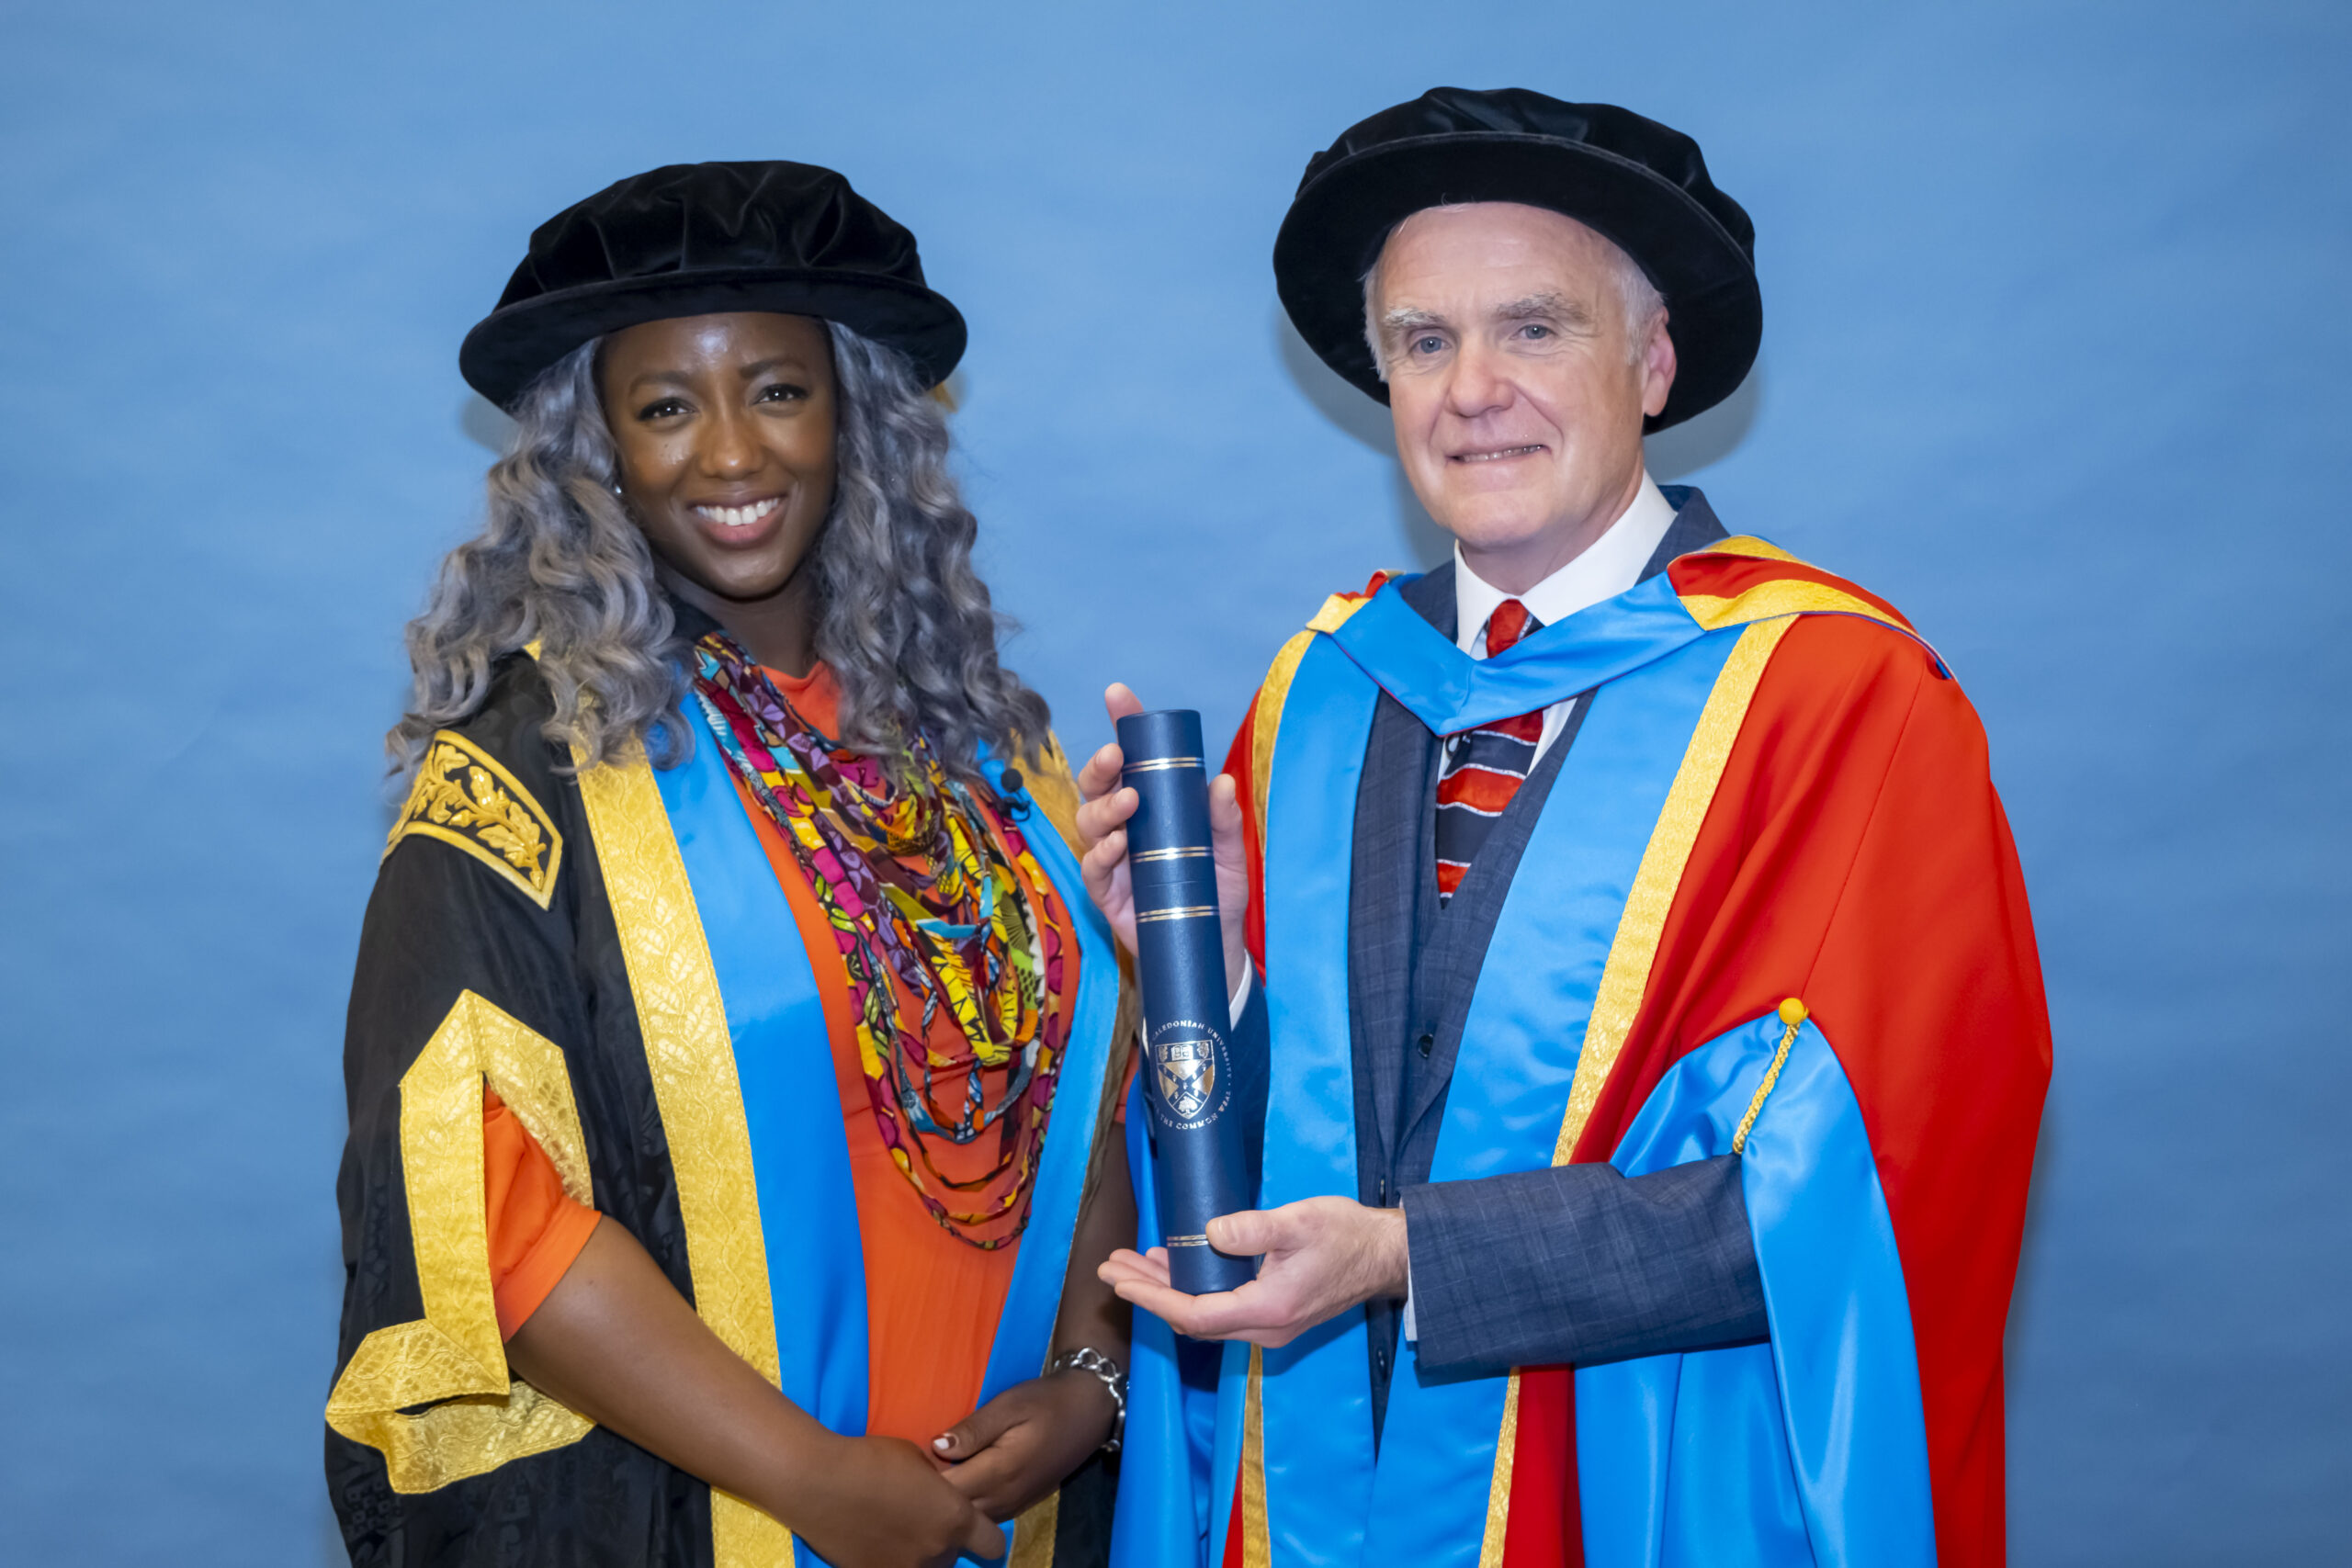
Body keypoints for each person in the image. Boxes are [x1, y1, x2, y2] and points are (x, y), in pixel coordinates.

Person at [1079, 89, 2051, 1566]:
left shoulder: (1842, 700)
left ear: (1652, 364)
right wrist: (1206, 983)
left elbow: (1874, 1186)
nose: (1473, 390)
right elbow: (1303, 1138)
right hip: (1336, 1488)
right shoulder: (1327, 689)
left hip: (1647, 1490)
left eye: (1534, 328)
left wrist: (1417, 1260)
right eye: (1423, 341)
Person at [326, 161, 1135, 1568]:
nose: (731, 456)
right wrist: (811, 1479)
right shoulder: (530, 774)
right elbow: (476, 1200)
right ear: (600, 455)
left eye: (775, 390)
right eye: (663, 408)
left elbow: (1102, 1075)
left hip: (1019, 1507)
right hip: (722, 1512)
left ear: (854, 420)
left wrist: (1090, 1375)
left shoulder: (988, 753)